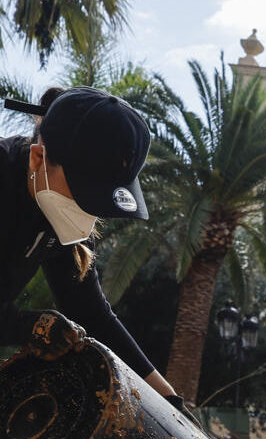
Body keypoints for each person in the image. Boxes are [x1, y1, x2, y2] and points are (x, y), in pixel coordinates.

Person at [0, 85, 183, 408]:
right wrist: (26, 326)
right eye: (83, 194)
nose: (87, 214)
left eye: (98, 201)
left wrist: (171, 401)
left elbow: (92, 314)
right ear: (38, 157)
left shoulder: (56, 211)